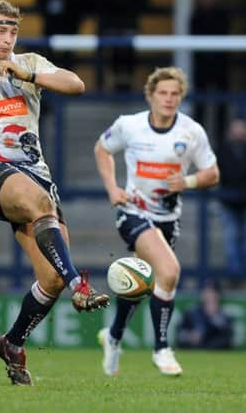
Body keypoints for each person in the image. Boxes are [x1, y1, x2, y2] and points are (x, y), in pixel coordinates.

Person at [0, 0, 109, 386]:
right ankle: (81, 284)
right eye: (0, 30)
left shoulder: (30, 64)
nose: (7, 39)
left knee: (50, 278)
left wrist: (28, 74)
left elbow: (76, 84)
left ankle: (13, 342)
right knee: (60, 258)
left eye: (13, 32)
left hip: (36, 174)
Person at [94, 66, 219, 376]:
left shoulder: (191, 132)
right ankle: (162, 348)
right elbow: (102, 149)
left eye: (175, 94)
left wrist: (187, 182)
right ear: (150, 95)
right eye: (163, 93)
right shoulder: (130, 126)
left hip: (167, 219)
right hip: (133, 212)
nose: (169, 99)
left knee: (141, 285)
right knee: (170, 271)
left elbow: (212, 173)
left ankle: (113, 336)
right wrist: (113, 188)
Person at [216, 118, 246, 273]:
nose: (238, 132)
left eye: (241, 128)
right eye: (236, 128)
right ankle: (234, 270)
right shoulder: (222, 150)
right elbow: (219, 172)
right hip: (228, 202)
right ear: (230, 131)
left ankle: (244, 269)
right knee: (232, 235)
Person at [190, 0, 231, 146]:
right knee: (200, 104)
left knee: (221, 103)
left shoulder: (222, 15)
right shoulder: (196, 16)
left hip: (220, 65)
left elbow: (224, 36)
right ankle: (199, 136)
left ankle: (220, 137)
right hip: (201, 65)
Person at [95, 0, 150, 91]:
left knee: (129, 57)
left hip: (129, 30)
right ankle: (103, 86)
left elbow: (145, 5)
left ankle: (126, 84)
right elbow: (96, 6)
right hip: (110, 30)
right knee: (109, 58)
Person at [176, 280, 233, 350]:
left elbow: (227, 334)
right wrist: (190, 336)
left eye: (212, 292)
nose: (209, 295)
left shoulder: (222, 314)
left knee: (222, 342)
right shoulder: (192, 312)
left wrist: (213, 316)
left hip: (211, 347)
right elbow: (180, 333)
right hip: (194, 346)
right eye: (206, 292)